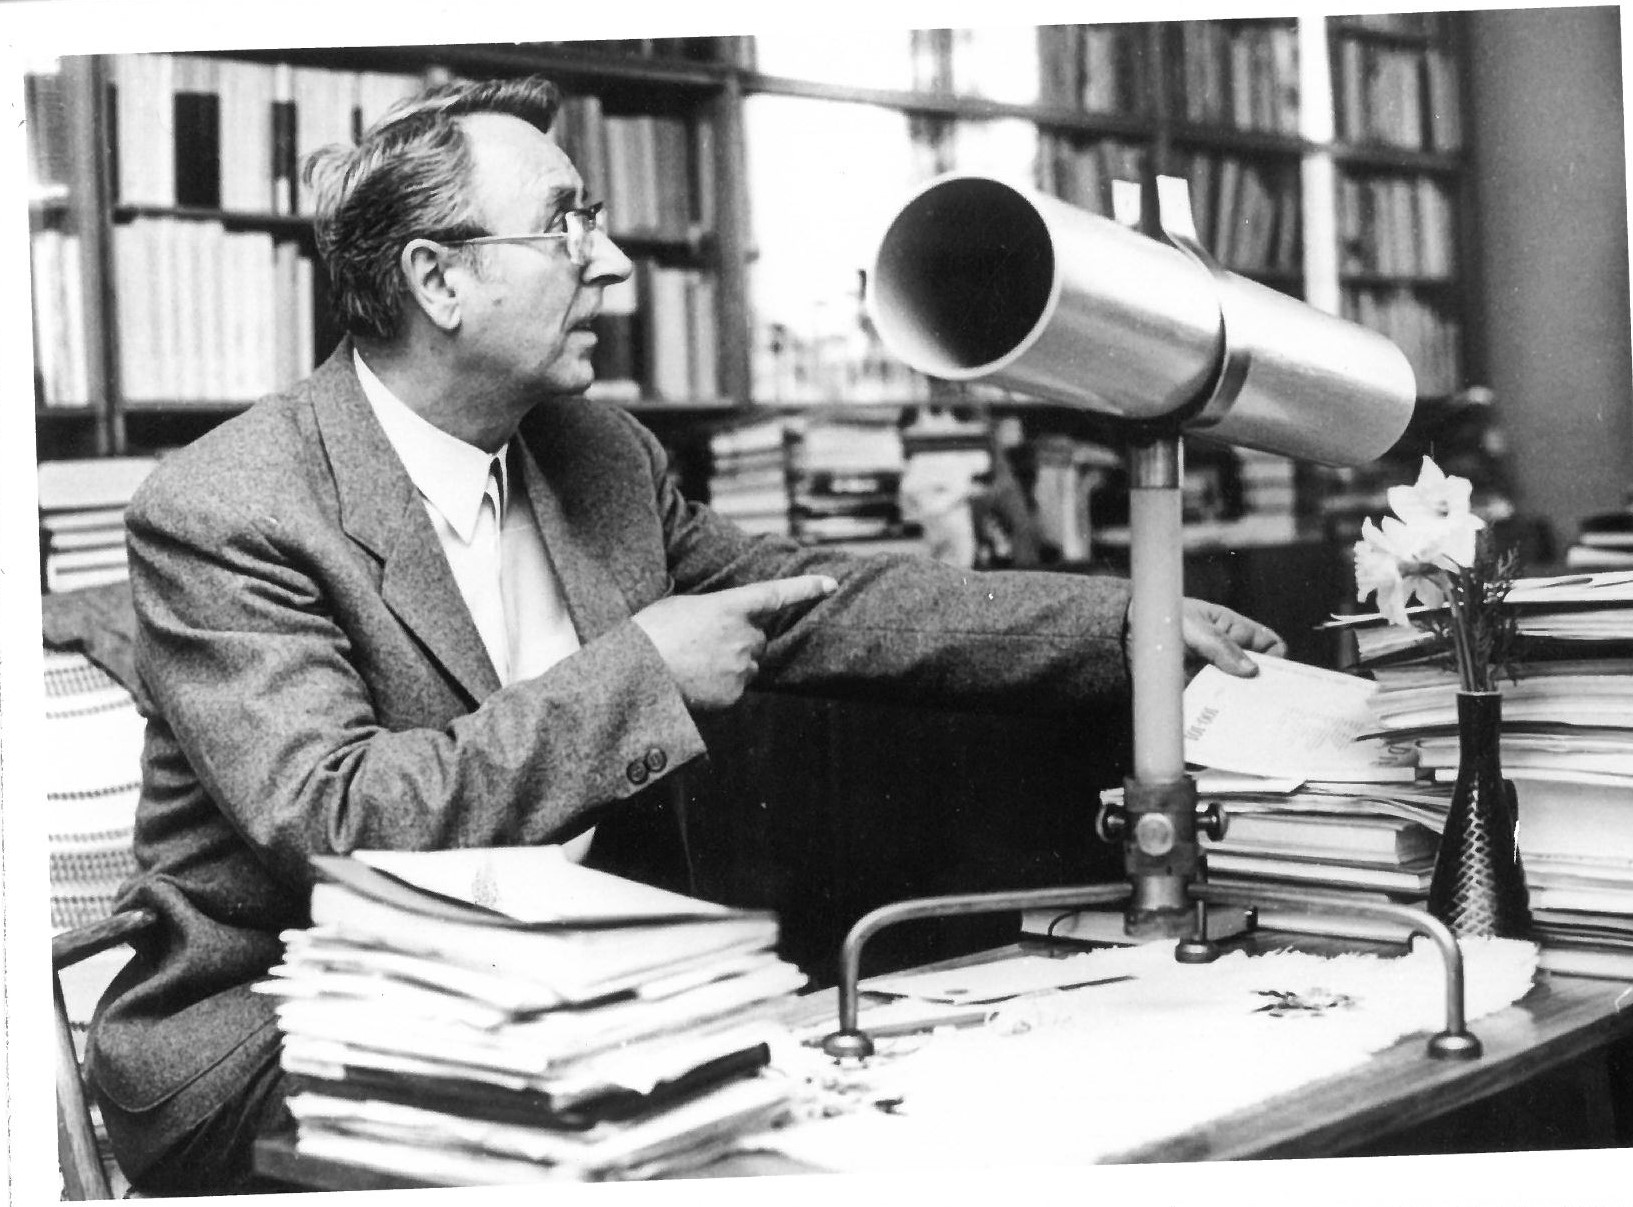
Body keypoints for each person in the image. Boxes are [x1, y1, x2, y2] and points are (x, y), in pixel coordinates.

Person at [86, 75, 1285, 1195]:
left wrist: (1129, 620)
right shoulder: (231, 504)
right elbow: (339, 820)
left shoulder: (599, 455)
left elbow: (821, 599)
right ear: (437, 279)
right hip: (283, 1030)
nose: (612, 264)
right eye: (565, 226)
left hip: (561, 999)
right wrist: (644, 674)